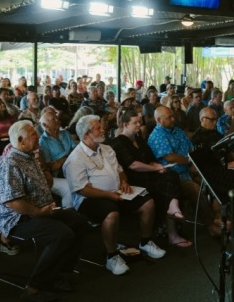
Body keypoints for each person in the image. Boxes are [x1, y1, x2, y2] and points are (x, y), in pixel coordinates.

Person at [0, 121, 88, 302]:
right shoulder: (11, 163)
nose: (37, 137)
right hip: (18, 218)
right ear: (20, 141)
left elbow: (49, 184)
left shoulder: (29, 156)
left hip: (41, 209)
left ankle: (60, 273)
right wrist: (38, 212)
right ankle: (34, 288)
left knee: (78, 221)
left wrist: (42, 168)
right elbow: (14, 202)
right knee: (62, 234)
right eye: (33, 135)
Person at [63, 115, 166, 276]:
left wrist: (124, 181)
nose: (103, 129)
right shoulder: (75, 158)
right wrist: (109, 196)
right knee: (111, 213)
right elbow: (82, 189)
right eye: (98, 128)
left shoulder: (106, 148)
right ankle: (111, 257)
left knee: (148, 202)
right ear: (86, 135)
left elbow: (119, 170)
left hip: (116, 193)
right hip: (89, 199)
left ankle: (145, 242)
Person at [110, 110, 192, 248]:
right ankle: (173, 228)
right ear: (125, 125)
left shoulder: (139, 139)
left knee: (171, 175)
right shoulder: (119, 142)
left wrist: (157, 165)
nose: (139, 125)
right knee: (167, 184)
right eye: (135, 123)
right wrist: (155, 168)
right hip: (135, 179)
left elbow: (150, 159)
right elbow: (133, 165)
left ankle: (173, 208)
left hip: (148, 174)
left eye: (139, 122)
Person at [148, 106, 221, 237]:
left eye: (172, 116)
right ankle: (210, 225)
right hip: (173, 178)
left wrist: (195, 164)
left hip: (189, 170)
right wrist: (190, 161)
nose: (173, 119)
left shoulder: (177, 130)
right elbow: (170, 157)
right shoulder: (156, 136)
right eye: (169, 117)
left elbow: (191, 147)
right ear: (159, 120)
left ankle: (218, 217)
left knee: (213, 180)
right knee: (195, 189)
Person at [39, 110, 77, 208]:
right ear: (45, 124)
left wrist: (63, 159)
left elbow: (76, 150)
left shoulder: (65, 133)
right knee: (70, 187)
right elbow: (51, 166)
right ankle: (69, 213)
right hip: (58, 174)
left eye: (57, 117)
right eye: (53, 119)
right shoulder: (43, 142)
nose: (58, 120)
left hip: (74, 166)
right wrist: (68, 157)